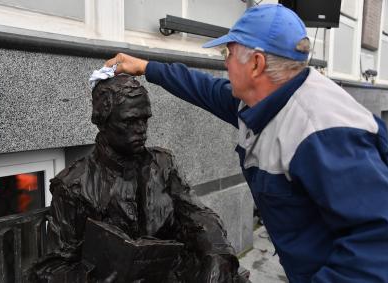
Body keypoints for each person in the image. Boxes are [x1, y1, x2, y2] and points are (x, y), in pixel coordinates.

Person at [105, 4, 388, 283]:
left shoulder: (324, 134)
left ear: (256, 63)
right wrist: (145, 67)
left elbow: (379, 248)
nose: (225, 62)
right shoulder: (260, 99)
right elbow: (202, 87)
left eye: (228, 53)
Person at [27, 74, 243, 282]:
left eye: (144, 120)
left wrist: (218, 254)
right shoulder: (74, 184)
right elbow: (52, 267)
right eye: (130, 121)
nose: (142, 130)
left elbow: (197, 215)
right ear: (102, 121)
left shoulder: (163, 164)